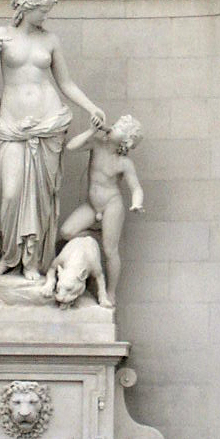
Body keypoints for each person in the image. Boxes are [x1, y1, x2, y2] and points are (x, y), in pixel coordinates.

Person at [0, 0, 105, 281]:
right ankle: (10, 257)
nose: (45, 17)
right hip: (13, 126)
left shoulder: (50, 40)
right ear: (26, 8)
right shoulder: (2, 35)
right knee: (11, 194)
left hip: (49, 123)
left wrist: (91, 107)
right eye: (42, 11)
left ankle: (32, 263)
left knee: (41, 199)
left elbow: (65, 83)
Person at [59, 115, 144, 305]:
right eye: (116, 123)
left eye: (121, 127)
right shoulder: (97, 144)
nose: (115, 125)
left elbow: (136, 187)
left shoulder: (124, 163)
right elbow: (71, 147)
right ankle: (93, 234)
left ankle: (110, 292)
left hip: (111, 205)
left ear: (127, 140)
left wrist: (137, 203)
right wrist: (91, 130)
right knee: (66, 232)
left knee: (110, 250)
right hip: (92, 204)